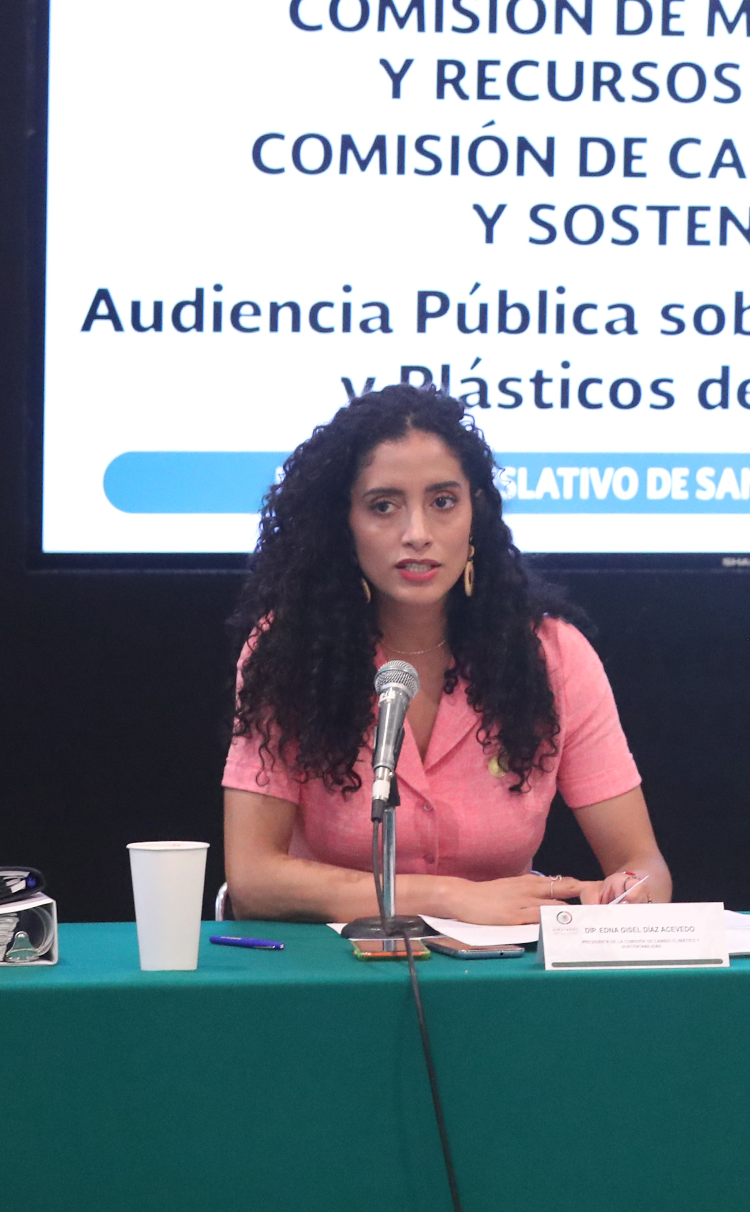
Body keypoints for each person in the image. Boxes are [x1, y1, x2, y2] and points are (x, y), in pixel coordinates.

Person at [222, 386, 669, 925]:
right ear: (343, 523)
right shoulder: (287, 650)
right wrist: (450, 898)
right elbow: (253, 879)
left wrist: (628, 892)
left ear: (474, 513)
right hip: (332, 964)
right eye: (383, 506)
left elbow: (642, 863)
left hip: (503, 966)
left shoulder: (553, 655)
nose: (417, 534)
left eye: (442, 502)